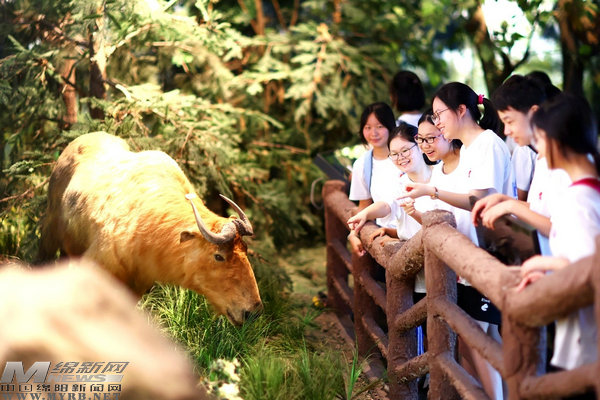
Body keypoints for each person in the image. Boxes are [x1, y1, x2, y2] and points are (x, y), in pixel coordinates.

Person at [399, 82, 513, 400]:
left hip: (486, 257)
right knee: (477, 342)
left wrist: (432, 191)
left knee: (479, 343)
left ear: (461, 110)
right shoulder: (472, 148)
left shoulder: (487, 144)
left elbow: (479, 199)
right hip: (468, 258)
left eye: (439, 115)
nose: (437, 123)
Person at [516, 94, 600, 384]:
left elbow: (587, 272)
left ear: (557, 141)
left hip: (586, 342)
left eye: (540, 140)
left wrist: (543, 263)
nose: (537, 150)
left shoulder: (578, 200)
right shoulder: (588, 189)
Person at [471, 74, 570, 257]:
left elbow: (560, 230)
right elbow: (541, 209)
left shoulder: (565, 161)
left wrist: (511, 206)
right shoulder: (542, 157)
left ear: (534, 113)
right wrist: (504, 200)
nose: (507, 131)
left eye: (510, 121)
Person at [347, 122, 435, 290]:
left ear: (420, 145)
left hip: (443, 267)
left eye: (405, 150)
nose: (400, 157)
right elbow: (386, 205)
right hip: (414, 273)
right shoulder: (400, 182)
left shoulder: (441, 176)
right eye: (394, 154)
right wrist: (364, 214)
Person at [347, 102, 400, 256]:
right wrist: (353, 234)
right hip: (384, 236)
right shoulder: (362, 165)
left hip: (412, 232)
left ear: (390, 126)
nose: (373, 133)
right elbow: (364, 206)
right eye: (368, 127)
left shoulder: (406, 155)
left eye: (379, 126)